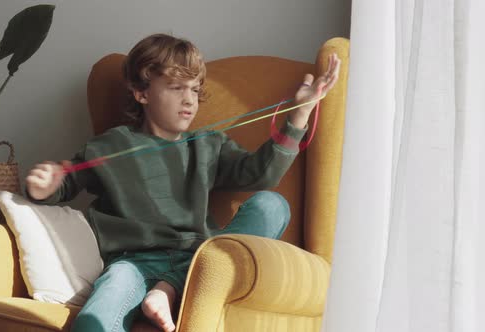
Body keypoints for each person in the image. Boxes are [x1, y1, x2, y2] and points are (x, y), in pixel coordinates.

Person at [25, 33, 341, 332]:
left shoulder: (209, 145)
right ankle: (167, 289)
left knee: (273, 205)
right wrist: (44, 186)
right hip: (132, 264)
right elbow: (66, 182)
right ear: (142, 92)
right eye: (177, 88)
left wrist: (301, 113)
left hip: (202, 262)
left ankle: (170, 287)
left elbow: (262, 174)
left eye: (194, 89)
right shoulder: (110, 145)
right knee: (93, 322)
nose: (189, 99)